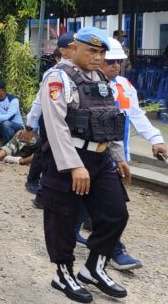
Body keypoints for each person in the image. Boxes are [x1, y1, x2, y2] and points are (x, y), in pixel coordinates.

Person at [38, 26, 130, 302]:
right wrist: (74, 166)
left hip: (100, 159)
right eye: (91, 50)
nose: (98, 57)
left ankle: (94, 268)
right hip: (69, 160)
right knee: (63, 220)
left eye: (102, 52)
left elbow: (109, 119)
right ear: (73, 48)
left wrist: (118, 156)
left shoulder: (100, 78)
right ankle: (63, 272)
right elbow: (55, 127)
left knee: (116, 214)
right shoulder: (57, 79)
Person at [79, 37, 167, 271]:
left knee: (109, 207)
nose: (115, 66)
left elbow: (136, 115)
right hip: (85, 156)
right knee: (91, 205)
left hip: (114, 157)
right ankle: (97, 245)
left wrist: (156, 139)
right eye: (110, 61)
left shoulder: (125, 86)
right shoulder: (80, 85)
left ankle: (111, 250)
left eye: (118, 61)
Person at [24, 33, 75, 196]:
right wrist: (31, 124)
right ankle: (35, 185)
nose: (77, 51)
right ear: (63, 51)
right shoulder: (54, 73)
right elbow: (39, 100)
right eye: (73, 48)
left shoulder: (79, 72)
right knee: (44, 153)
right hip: (49, 119)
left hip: (69, 120)